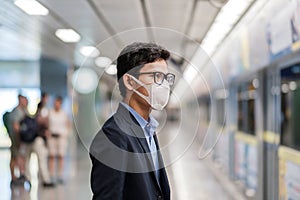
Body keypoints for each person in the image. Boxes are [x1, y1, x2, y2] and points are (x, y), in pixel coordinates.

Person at [90, 42, 175, 200]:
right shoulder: (113, 136)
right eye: (155, 76)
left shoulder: (148, 128)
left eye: (165, 77)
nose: (162, 84)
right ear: (129, 82)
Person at [48, 96, 70, 183]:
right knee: (52, 156)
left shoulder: (64, 113)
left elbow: (68, 124)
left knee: (61, 156)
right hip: (52, 137)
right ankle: (51, 175)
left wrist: (66, 133)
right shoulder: (50, 113)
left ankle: (60, 175)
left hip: (61, 137)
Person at [34, 93, 55, 187]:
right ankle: (46, 180)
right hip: (40, 139)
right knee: (42, 160)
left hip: (42, 139)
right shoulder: (41, 114)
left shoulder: (40, 113)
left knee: (41, 160)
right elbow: (42, 123)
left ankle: (42, 178)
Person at [9, 94, 28, 186]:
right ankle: (13, 177)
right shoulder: (16, 112)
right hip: (16, 139)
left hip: (21, 139)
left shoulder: (23, 111)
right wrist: (19, 139)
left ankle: (21, 174)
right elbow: (16, 127)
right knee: (14, 157)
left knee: (20, 157)